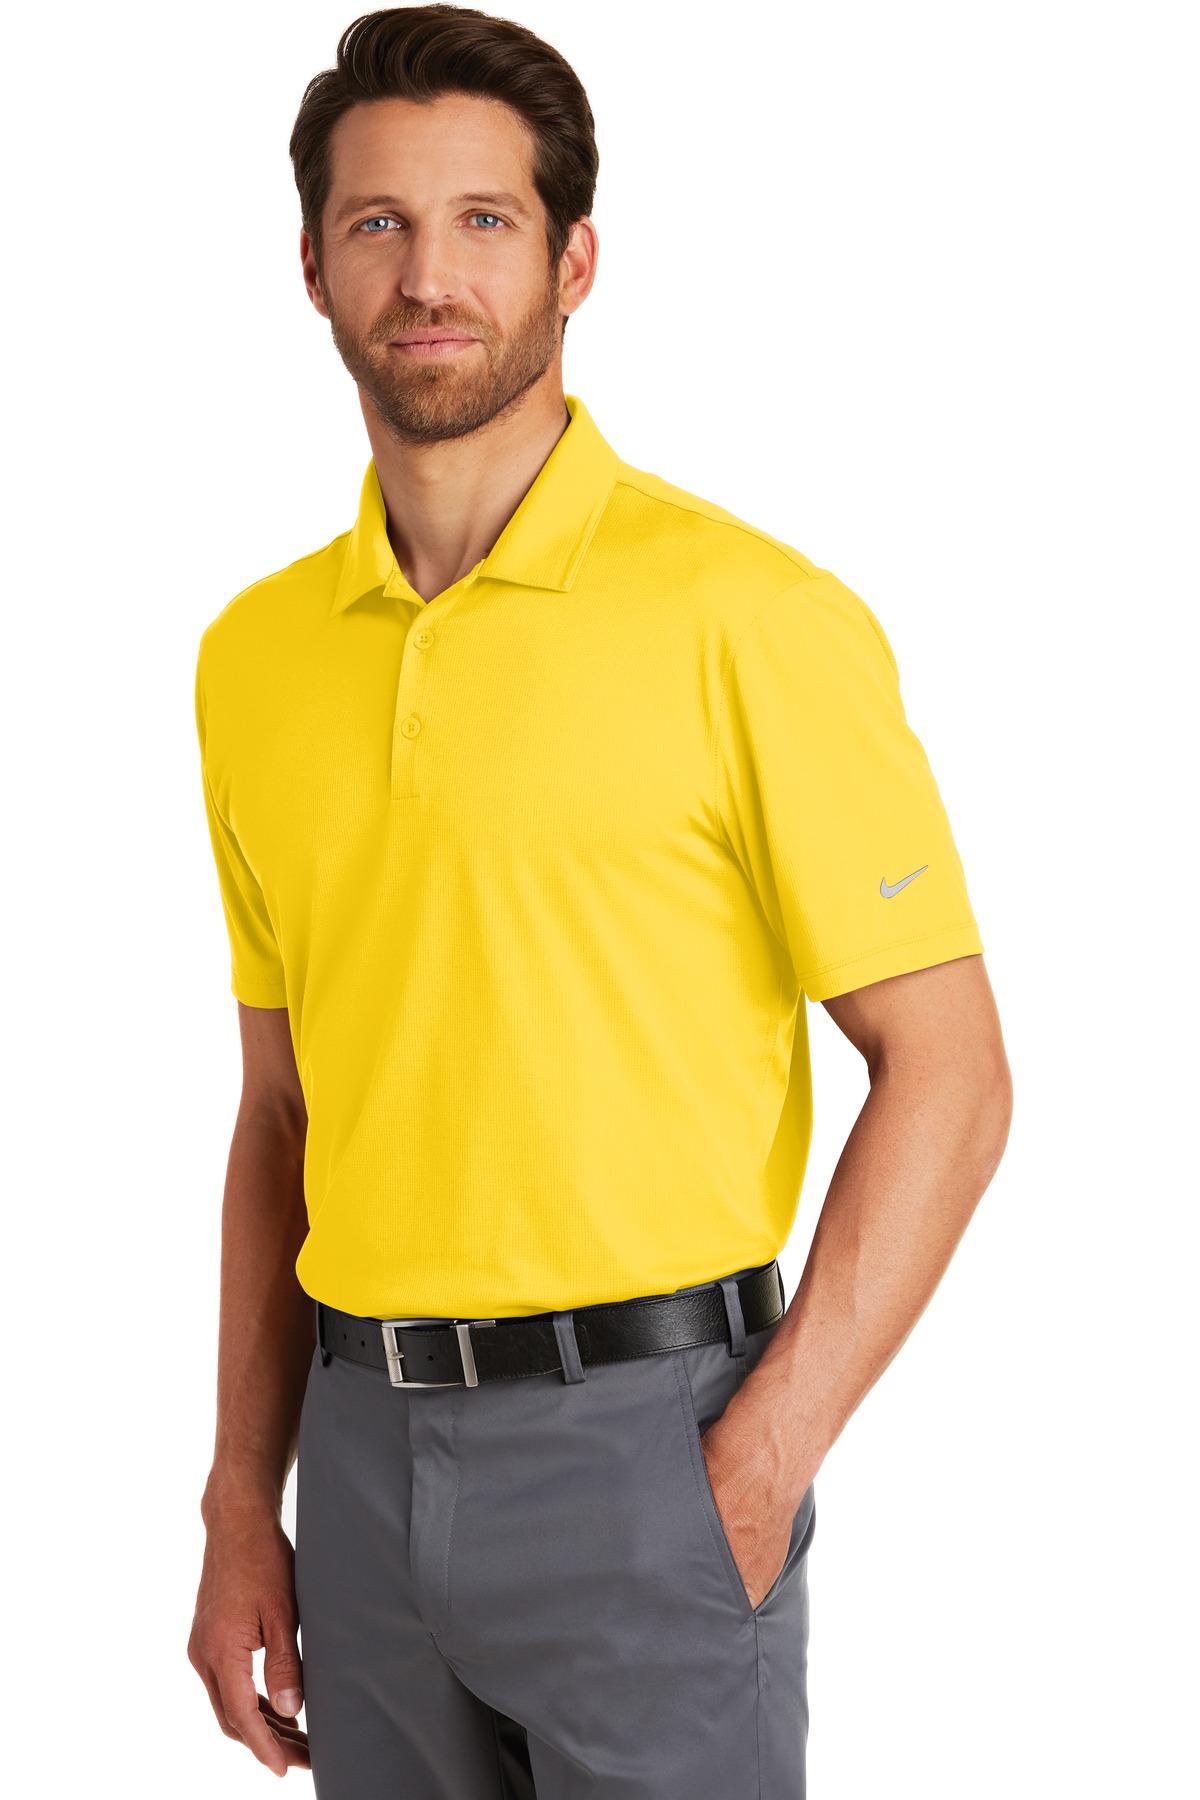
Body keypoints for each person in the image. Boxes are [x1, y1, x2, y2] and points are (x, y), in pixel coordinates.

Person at [186, 7, 1013, 1796]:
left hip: (653, 1457)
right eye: (379, 223)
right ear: (312, 267)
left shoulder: (749, 620)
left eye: (484, 221)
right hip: (359, 1464)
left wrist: (759, 1461)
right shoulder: (251, 659)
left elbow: (950, 1072)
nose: (429, 275)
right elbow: (281, 1112)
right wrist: (243, 1500)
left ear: (573, 262)